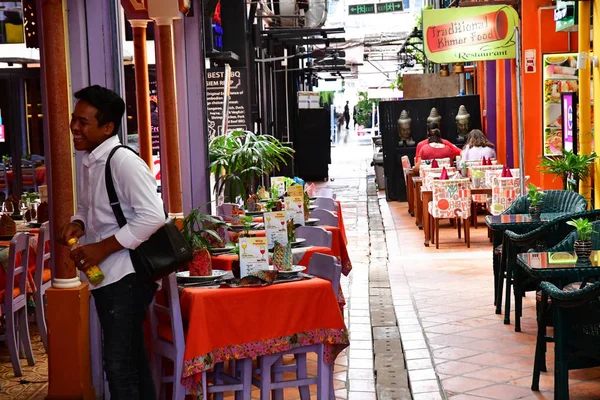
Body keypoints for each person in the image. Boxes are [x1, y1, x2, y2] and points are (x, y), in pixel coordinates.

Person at [60, 85, 165, 399]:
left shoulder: (123, 162)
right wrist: (78, 222)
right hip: (106, 276)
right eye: (73, 119)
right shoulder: (92, 160)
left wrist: (100, 248)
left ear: (107, 127)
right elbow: (89, 208)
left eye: (83, 122)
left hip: (126, 277)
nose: (74, 128)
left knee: (119, 367)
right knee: (131, 361)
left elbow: (153, 216)